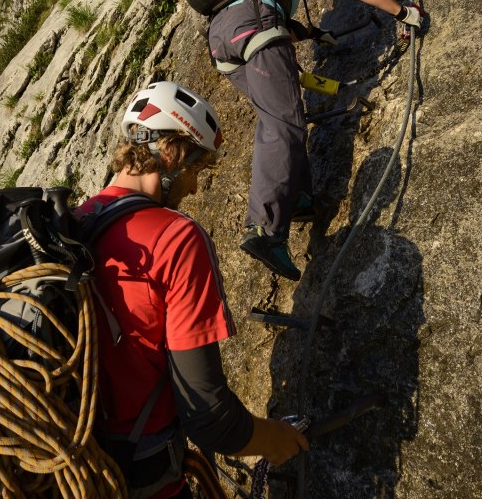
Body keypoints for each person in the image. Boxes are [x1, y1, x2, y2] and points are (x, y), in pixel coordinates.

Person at [74, 81, 308, 499]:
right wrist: (274, 440)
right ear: (171, 153)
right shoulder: (175, 240)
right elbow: (210, 417)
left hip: (77, 470)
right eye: (196, 170)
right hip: (142, 480)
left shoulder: (77, 225)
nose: (195, 188)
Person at [206, 0, 428, 281]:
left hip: (221, 39)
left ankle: (300, 199)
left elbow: (263, 15)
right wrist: (401, 11)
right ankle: (265, 229)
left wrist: (312, 33)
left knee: (277, 115)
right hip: (253, 21)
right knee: (284, 123)